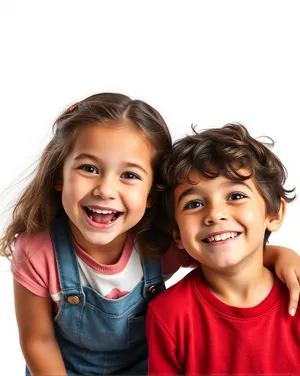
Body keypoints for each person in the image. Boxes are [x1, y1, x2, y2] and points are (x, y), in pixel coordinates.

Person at [0, 96, 298, 376]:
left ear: (152, 194)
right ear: (58, 176)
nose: (105, 190)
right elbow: (37, 342)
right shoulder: (37, 251)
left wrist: (281, 256)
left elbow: (225, 253)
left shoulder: (160, 243)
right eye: (88, 168)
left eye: (129, 175)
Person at [146, 123, 299, 375]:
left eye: (236, 196)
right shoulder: (168, 314)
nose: (215, 214)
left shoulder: (296, 296)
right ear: (177, 234)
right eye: (194, 203)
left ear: (274, 213)